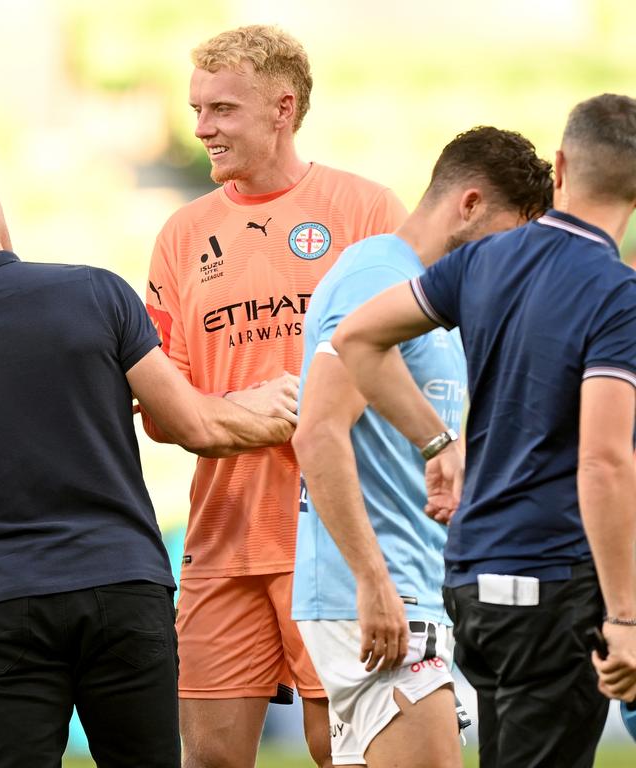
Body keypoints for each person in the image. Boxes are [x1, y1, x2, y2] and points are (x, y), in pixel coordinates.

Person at [0, 138, 300, 768]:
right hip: (122, 586)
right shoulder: (95, 294)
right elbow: (198, 427)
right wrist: (281, 407)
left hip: (6, 600)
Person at [331, 93, 636, 767]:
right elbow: (607, 461)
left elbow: (356, 339)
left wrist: (434, 441)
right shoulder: (618, 294)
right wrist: (625, 616)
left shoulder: (480, 262)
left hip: (471, 582)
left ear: (559, 166)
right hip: (554, 585)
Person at [142, 24, 408, 768]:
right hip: (222, 536)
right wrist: (254, 411)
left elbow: (409, 368)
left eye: (222, 109)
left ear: (282, 107)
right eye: (197, 109)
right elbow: (164, 411)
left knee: (342, 751)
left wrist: (304, 411)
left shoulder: (367, 213)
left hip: (332, 535)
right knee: (211, 758)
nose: (202, 128)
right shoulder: (181, 233)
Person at [292, 127, 553, 767]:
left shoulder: (431, 303)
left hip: (407, 588)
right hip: (381, 597)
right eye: (511, 237)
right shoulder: (378, 276)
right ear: (468, 204)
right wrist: (373, 580)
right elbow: (317, 431)